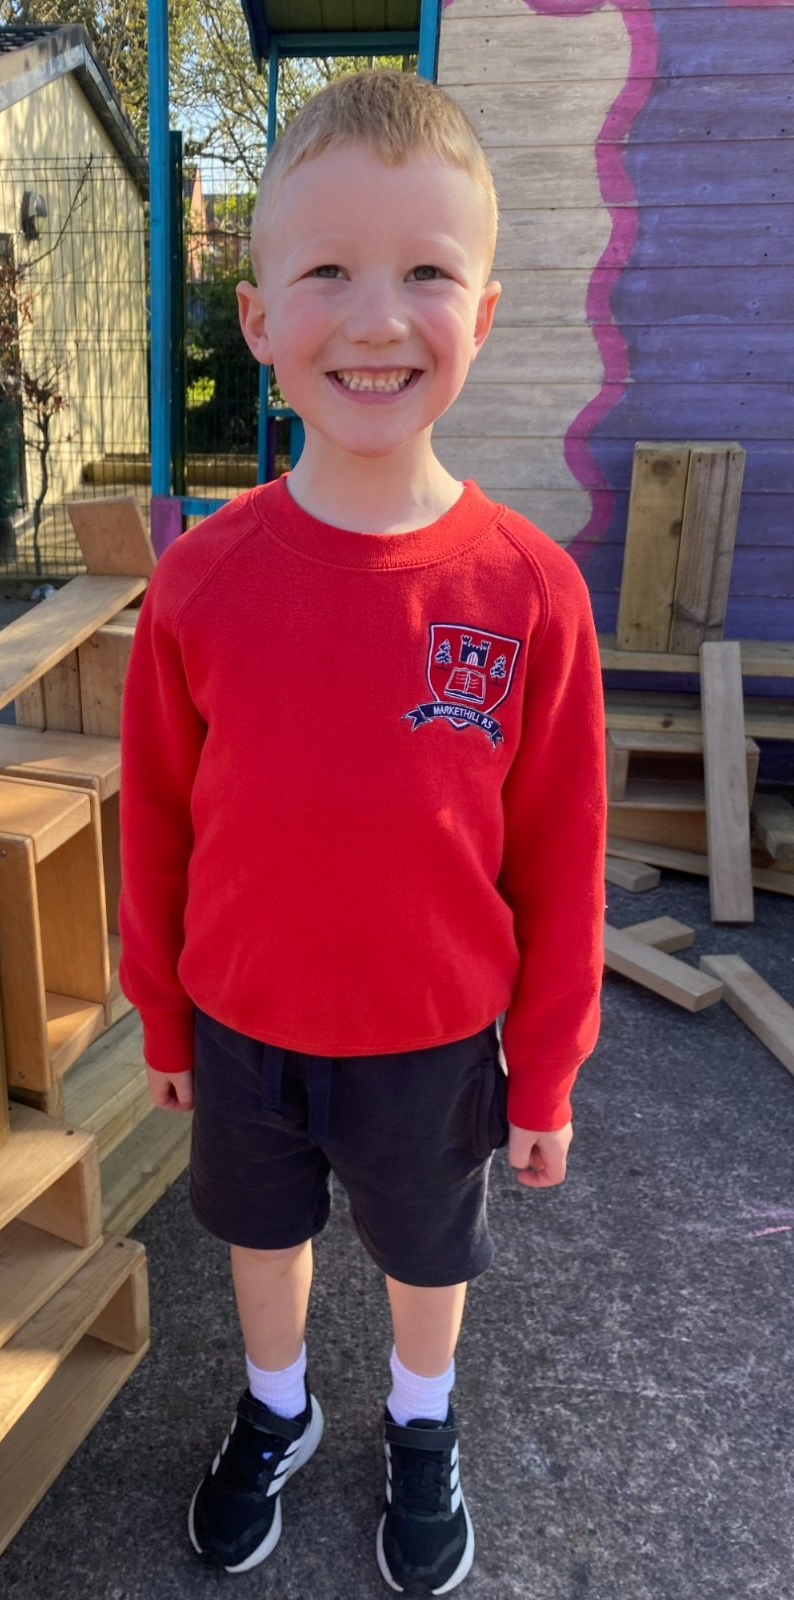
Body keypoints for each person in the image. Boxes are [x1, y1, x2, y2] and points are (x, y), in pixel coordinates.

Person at [117, 68, 605, 1594]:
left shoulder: (529, 593)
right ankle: (279, 1407)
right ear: (258, 318)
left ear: (485, 310)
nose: (378, 317)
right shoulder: (201, 583)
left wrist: (549, 1064)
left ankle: (418, 1417)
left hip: (435, 1038)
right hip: (242, 1023)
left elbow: (561, 854)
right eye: (328, 269)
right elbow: (157, 820)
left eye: (426, 273)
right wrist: (163, 1017)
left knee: (425, 1250)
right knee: (260, 1238)